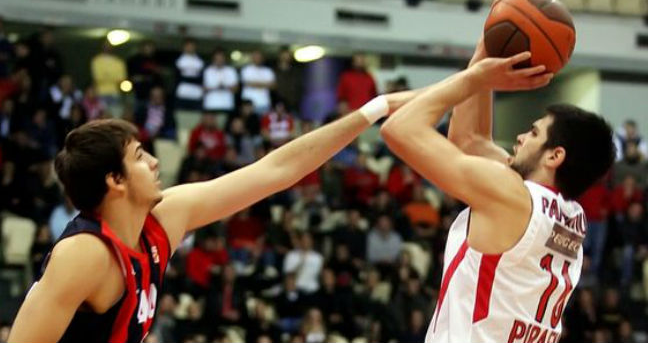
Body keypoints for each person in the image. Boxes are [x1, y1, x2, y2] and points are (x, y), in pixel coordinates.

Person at [7, 81, 421, 343]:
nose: (154, 162)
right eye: (139, 156)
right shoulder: (84, 254)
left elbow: (277, 170)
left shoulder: (165, 218)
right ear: (115, 180)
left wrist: (375, 109)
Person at [380, 38, 615, 342]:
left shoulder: (511, 196)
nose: (520, 137)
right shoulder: (571, 217)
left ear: (555, 156)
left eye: (533, 133)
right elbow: (469, 140)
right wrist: (487, 49)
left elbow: (399, 129)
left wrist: (474, 79)